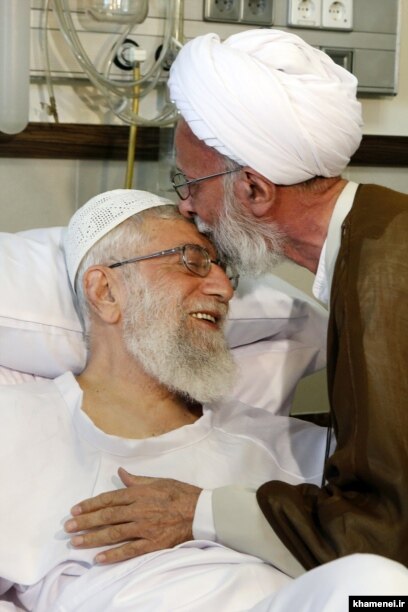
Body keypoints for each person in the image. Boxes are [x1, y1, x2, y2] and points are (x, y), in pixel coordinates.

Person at [64, 29, 408, 578]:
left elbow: (384, 539)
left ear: (253, 189)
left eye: (191, 182)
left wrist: (200, 513)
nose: (185, 203)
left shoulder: (385, 276)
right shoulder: (378, 237)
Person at [0, 188, 339, 611]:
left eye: (225, 270)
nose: (223, 289)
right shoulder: (13, 427)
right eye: (192, 260)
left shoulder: (295, 449)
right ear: (105, 291)